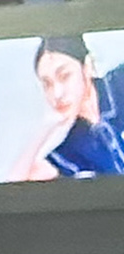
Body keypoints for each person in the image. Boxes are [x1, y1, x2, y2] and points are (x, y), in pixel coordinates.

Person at [25, 34, 124, 180]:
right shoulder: (66, 155)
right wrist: (44, 129)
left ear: (87, 66)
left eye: (65, 76)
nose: (57, 93)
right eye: (47, 84)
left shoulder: (119, 83)